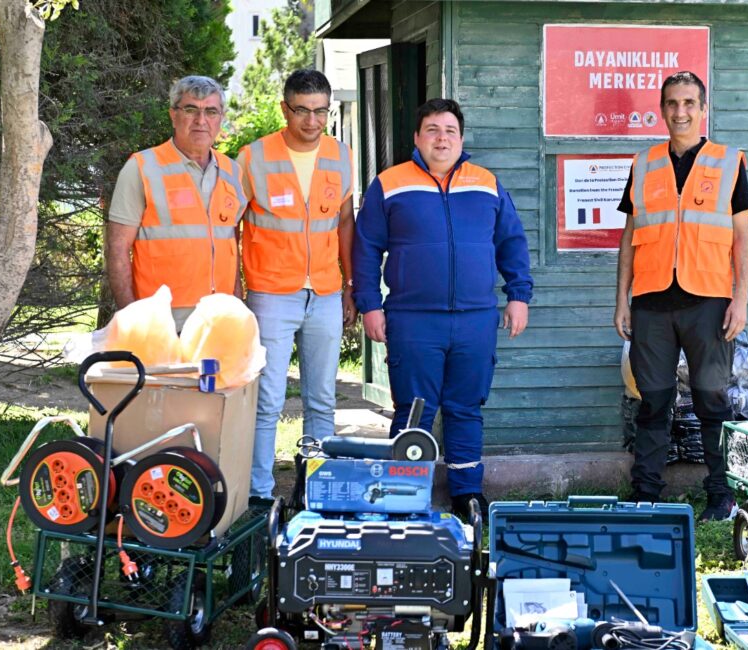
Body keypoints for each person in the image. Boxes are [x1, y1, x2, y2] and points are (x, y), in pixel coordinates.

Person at [352, 98, 533, 518]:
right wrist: (369, 305)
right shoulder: (390, 183)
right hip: (413, 320)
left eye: (450, 130)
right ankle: (404, 491)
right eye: (432, 129)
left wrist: (518, 296)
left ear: (461, 138)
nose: (441, 138)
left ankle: (467, 491)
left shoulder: (486, 183)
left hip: (475, 319)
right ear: (417, 138)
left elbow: (511, 242)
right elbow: (365, 249)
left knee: (466, 407)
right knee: (414, 409)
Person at [613, 71, 748, 521]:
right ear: (662, 109)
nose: (681, 111)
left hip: (709, 299)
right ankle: (646, 495)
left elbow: (742, 237)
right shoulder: (644, 164)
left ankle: (720, 495)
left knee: (713, 401)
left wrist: (741, 298)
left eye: (690, 102)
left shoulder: (729, 162)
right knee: (652, 403)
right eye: (672, 103)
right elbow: (628, 238)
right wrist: (621, 300)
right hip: (651, 301)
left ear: (703, 108)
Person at [237, 69, 356, 499]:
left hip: (325, 292)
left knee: (322, 401)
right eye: (302, 110)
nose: (312, 120)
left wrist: (351, 284)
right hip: (271, 293)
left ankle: (317, 491)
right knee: (267, 401)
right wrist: (236, 288)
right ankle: (259, 494)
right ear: (285, 109)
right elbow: (228, 223)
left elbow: (344, 222)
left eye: (321, 111)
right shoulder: (253, 157)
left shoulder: (341, 155)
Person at [107, 76, 247, 330]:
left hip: (219, 323)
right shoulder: (142, 168)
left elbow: (230, 247)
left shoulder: (233, 172)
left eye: (211, 111)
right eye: (191, 109)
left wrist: (238, 309)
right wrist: (131, 319)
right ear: (173, 115)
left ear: (221, 118)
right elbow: (117, 249)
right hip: (160, 324)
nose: (201, 121)